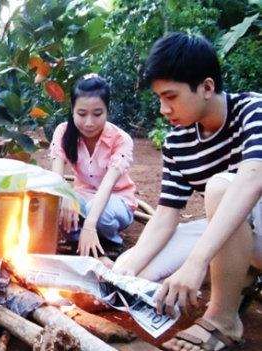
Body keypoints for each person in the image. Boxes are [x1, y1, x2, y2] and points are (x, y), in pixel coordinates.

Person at [112, 32, 262, 351]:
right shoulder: (177, 142)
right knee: (133, 272)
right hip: (236, 233)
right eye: (159, 99)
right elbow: (166, 215)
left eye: (171, 97)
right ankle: (242, 273)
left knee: (222, 187)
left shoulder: (254, 110)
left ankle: (223, 319)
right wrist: (123, 271)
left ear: (207, 87)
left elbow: (252, 180)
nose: (165, 109)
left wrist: (195, 263)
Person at [50, 74, 137, 258]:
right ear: (72, 110)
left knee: (98, 215)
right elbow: (56, 179)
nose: (89, 122)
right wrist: (66, 196)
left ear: (107, 111)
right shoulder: (63, 132)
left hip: (116, 200)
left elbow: (107, 185)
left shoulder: (121, 139)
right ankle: (78, 239)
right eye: (82, 114)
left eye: (97, 114)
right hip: (82, 197)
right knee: (54, 203)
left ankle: (110, 242)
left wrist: (89, 224)